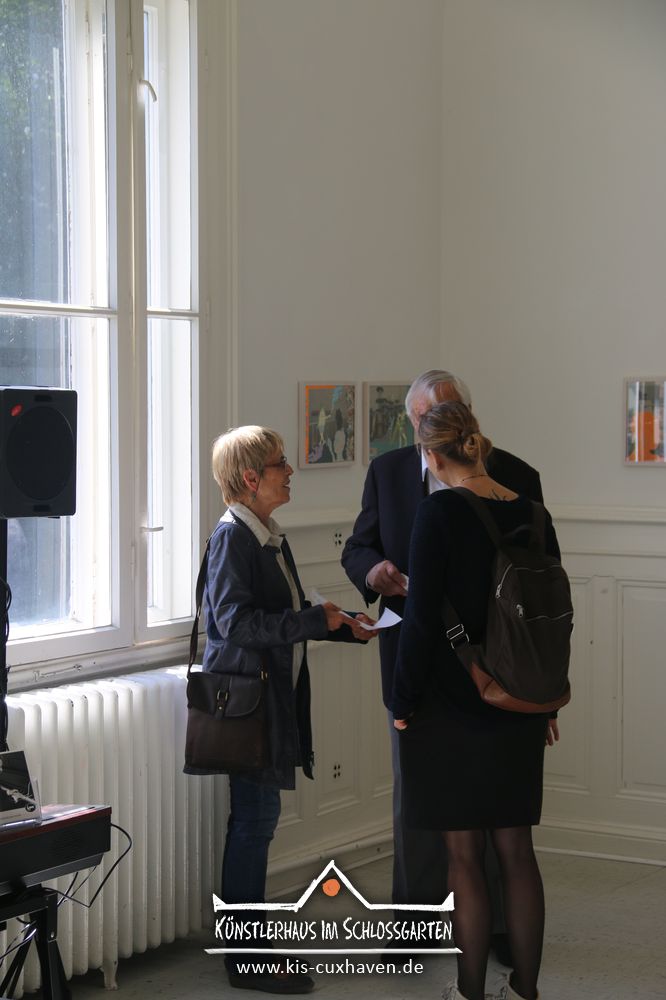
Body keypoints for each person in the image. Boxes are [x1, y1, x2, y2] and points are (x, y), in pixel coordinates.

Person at [341, 370, 543, 960]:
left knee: (497, 814)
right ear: (412, 423)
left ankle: (496, 935)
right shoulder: (387, 472)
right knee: (420, 805)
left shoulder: (517, 476)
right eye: (425, 419)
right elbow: (358, 547)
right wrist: (374, 571)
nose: (434, 429)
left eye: (445, 415)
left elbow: (536, 587)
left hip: (498, 668)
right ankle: (415, 927)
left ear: (468, 418)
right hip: (413, 666)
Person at [192, 425, 376, 995]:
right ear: (251, 478)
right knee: (253, 824)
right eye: (280, 463)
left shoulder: (267, 535)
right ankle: (246, 958)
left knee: (257, 822)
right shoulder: (235, 538)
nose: (290, 471)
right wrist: (314, 621)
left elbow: (284, 615)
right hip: (248, 708)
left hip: (266, 701)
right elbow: (234, 625)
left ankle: (250, 950)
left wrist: (339, 625)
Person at [391, 401, 560, 1000]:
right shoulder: (534, 512)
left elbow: (419, 621)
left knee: (463, 855)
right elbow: (549, 621)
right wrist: (546, 705)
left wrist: (402, 701)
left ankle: (469, 992)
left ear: (432, 456)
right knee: (517, 850)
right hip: (519, 702)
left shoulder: (438, 512)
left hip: (450, 705)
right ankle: (526, 989)